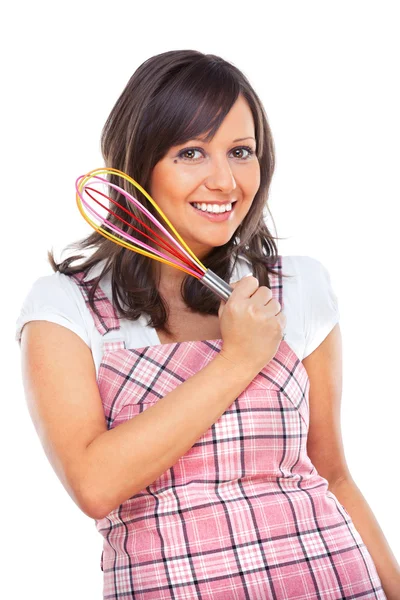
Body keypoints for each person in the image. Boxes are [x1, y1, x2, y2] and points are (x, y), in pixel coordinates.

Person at [15, 50, 398, 599]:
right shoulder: (67, 305)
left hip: (332, 580)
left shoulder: (300, 287)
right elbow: (95, 485)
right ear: (138, 164)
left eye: (241, 152)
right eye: (191, 152)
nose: (225, 180)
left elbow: (332, 473)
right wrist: (239, 358)